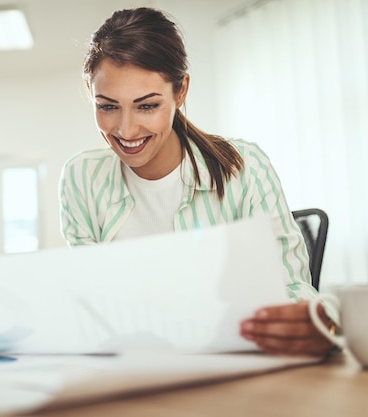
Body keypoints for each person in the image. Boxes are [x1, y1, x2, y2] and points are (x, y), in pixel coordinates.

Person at [59, 7, 334, 357]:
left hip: (233, 371)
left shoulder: (245, 167)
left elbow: (293, 290)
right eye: (108, 106)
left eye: (146, 106)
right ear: (90, 93)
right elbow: (88, 303)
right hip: (130, 373)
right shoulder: (81, 178)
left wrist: (312, 321)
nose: (125, 131)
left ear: (181, 91)